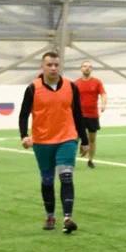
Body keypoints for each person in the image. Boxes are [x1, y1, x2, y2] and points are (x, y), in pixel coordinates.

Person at [18, 51, 89, 234]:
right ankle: (50, 215)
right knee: (47, 180)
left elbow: (78, 114)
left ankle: (67, 218)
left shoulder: (71, 87)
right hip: (42, 141)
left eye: (56, 64)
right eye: (49, 65)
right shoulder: (33, 88)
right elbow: (24, 114)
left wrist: (84, 139)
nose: (53, 68)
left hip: (67, 138)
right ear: (42, 66)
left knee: (66, 176)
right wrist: (24, 135)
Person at [75, 60, 106, 169]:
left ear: (91, 69)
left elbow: (103, 94)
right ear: (81, 68)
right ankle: (71, 159)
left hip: (93, 116)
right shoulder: (76, 83)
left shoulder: (97, 82)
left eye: (89, 66)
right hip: (79, 116)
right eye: (84, 66)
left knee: (92, 139)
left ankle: (90, 160)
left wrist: (103, 104)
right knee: (75, 138)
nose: (87, 68)